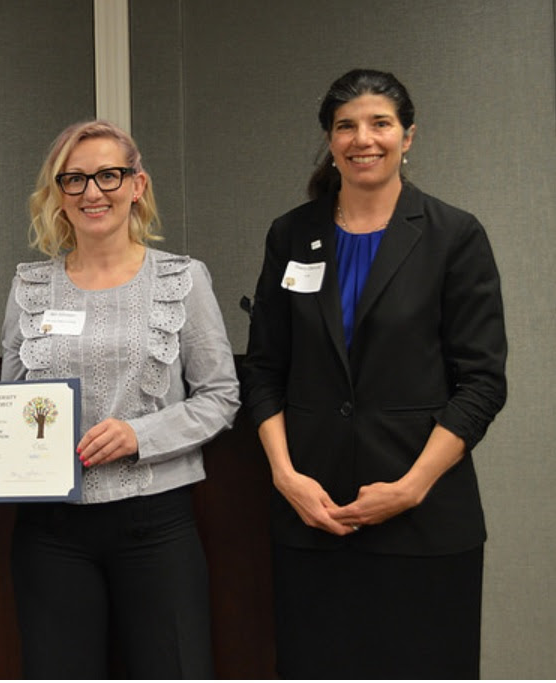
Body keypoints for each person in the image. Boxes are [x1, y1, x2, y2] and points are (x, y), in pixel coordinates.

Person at [243, 69, 508, 678]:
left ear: (408, 136)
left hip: (424, 520)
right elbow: (264, 372)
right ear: (330, 141)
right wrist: (286, 477)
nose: (364, 138)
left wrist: (413, 485)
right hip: (314, 515)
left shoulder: (453, 235)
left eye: (380, 123)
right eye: (346, 126)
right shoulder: (292, 234)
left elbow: (483, 382)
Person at [0, 120, 239, 678]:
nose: (92, 192)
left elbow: (221, 396)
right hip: (50, 531)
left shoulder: (183, 278)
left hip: (155, 524)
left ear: (138, 185)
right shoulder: (29, 286)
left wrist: (140, 436)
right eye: (74, 179)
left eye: (109, 175)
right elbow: (9, 407)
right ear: (57, 194)